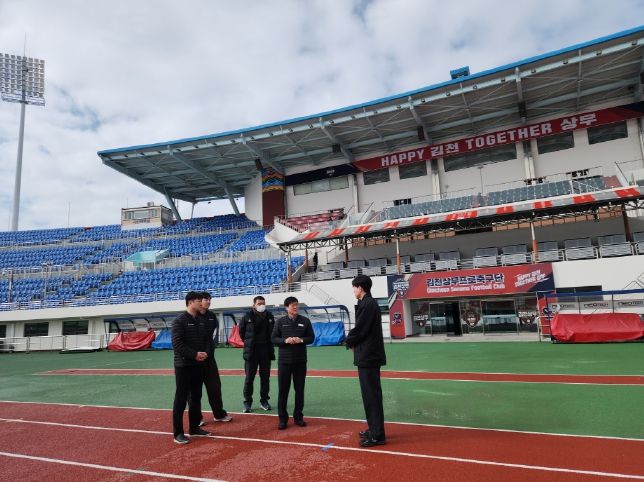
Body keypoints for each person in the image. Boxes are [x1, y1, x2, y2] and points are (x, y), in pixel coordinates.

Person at [346, 275, 387, 447]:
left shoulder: (368, 304)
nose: (353, 290)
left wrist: (348, 341)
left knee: (371, 396)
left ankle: (377, 435)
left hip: (369, 356)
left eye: (354, 287)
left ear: (360, 287)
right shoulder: (367, 303)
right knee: (369, 396)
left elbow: (360, 329)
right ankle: (374, 429)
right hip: (367, 355)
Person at [171, 291, 211, 444]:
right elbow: (178, 344)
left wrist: (205, 353)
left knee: (196, 397)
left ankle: (194, 428)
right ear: (190, 302)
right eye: (198, 301)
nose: (201, 303)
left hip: (197, 364)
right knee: (181, 399)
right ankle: (178, 433)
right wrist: (194, 354)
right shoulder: (179, 321)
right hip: (183, 365)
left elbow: (206, 340)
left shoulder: (200, 321)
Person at [271, 296, 314, 430]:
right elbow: (273, 338)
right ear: (286, 308)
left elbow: (311, 338)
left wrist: (300, 340)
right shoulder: (280, 322)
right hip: (284, 362)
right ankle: (282, 419)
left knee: (299, 390)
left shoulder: (305, 321)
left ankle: (298, 417)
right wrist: (285, 341)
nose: (295, 307)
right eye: (292, 305)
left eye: (296, 304)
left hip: (300, 362)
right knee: (283, 391)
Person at [196, 291, 232, 425]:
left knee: (215, 388)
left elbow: (214, 338)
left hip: (210, 359)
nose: (209, 301)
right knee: (195, 391)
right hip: (195, 360)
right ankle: (197, 418)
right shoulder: (192, 316)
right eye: (206, 299)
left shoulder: (212, 317)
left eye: (209, 299)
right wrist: (196, 354)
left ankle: (219, 414)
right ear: (199, 301)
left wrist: (208, 352)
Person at [239, 295, 276, 413]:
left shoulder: (269, 316)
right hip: (252, 351)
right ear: (254, 305)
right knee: (249, 378)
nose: (262, 305)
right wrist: (249, 343)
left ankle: (264, 401)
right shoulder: (247, 317)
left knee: (265, 378)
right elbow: (241, 332)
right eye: (259, 304)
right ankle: (247, 403)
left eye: (263, 303)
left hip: (266, 351)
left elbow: (273, 332)